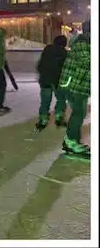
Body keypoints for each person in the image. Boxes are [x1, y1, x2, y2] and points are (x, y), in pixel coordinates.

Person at [58, 22, 90, 158]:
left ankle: (73, 141)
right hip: (75, 85)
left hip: (78, 84)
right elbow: (88, 61)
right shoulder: (83, 44)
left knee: (79, 113)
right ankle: (70, 142)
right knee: (78, 113)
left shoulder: (85, 43)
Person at [35, 35, 68, 131]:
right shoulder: (64, 52)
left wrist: (41, 73)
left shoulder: (47, 49)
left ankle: (43, 119)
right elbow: (65, 68)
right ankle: (59, 117)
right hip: (57, 80)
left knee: (45, 100)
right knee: (61, 99)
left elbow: (40, 64)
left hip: (45, 79)